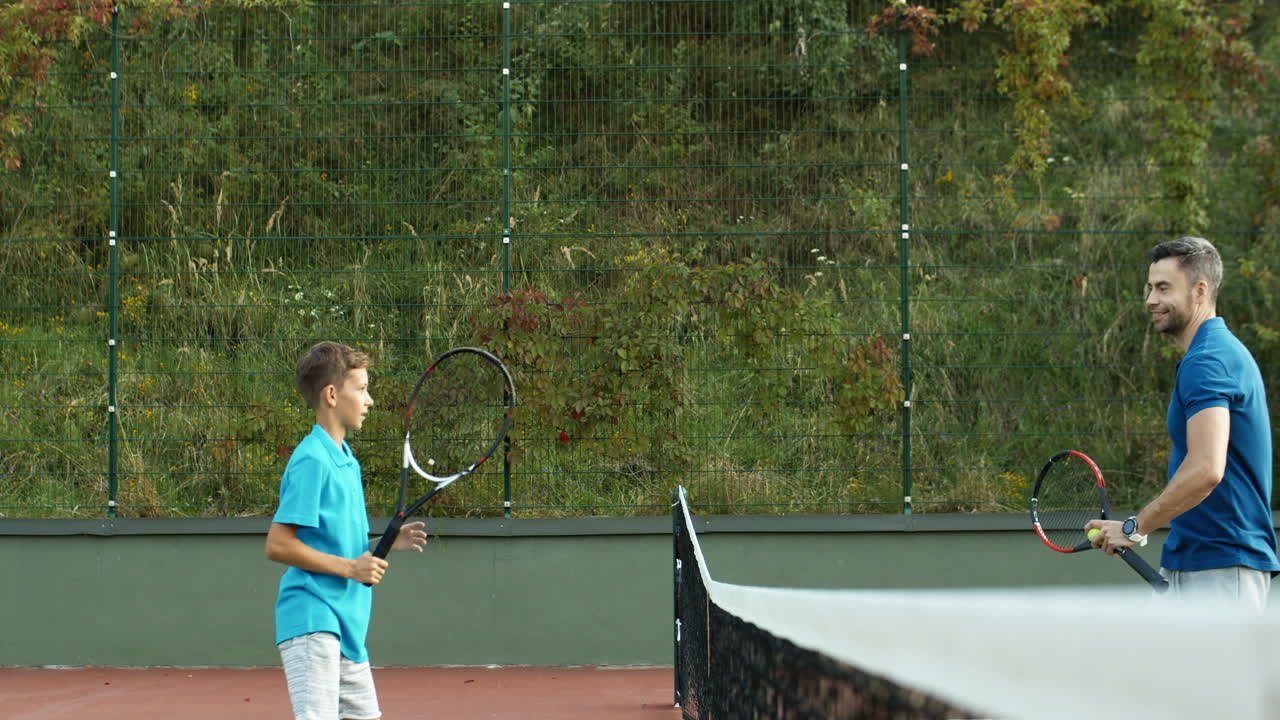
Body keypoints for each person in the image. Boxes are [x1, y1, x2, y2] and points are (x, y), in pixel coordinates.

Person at [1088, 237, 1279, 611]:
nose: (1150, 300)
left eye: (1163, 288)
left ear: (1200, 290)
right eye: (1149, 288)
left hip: (1222, 568)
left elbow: (1207, 469)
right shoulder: (1214, 354)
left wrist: (1134, 527)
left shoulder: (1208, 360)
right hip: (1200, 562)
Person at [266, 341, 427, 719]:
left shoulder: (345, 459)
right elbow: (278, 544)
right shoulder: (312, 459)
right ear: (332, 394)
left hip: (347, 630)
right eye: (362, 388)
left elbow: (335, 543)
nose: (369, 400)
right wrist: (350, 569)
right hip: (313, 620)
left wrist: (385, 545)